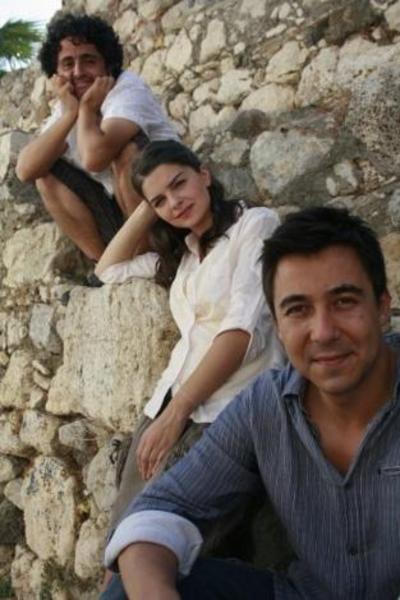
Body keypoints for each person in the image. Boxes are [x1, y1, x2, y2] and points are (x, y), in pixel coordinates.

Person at [102, 205, 400, 600]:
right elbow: (164, 505)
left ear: (382, 307)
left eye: (344, 302)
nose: (323, 332)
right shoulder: (266, 406)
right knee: (132, 584)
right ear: (278, 325)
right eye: (298, 310)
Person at [95, 139, 285, 558]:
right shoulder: (182, 257)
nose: (175, 202)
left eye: (179, 184)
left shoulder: (254, 225)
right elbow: (108, 269)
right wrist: (147, 207)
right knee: (122, 537)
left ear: (204, 174)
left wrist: (177, 414)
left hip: (227, 407)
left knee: (166, 546)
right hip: (167, 404)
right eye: (161, 200)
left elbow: (241, 331)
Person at [16, 13, 178, 264]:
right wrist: (70, 114)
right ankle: (105, 266)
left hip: (167, 211)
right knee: (45, 175)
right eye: (67, 64)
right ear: (56, 74)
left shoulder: (127, 90)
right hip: (118, 219)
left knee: (127, 152)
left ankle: (146, 259)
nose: (78, 72)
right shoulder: (67, 106)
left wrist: (88, 110)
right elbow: (25, 170)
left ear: (107, 65)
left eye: (88, 60)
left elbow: (95, 158)